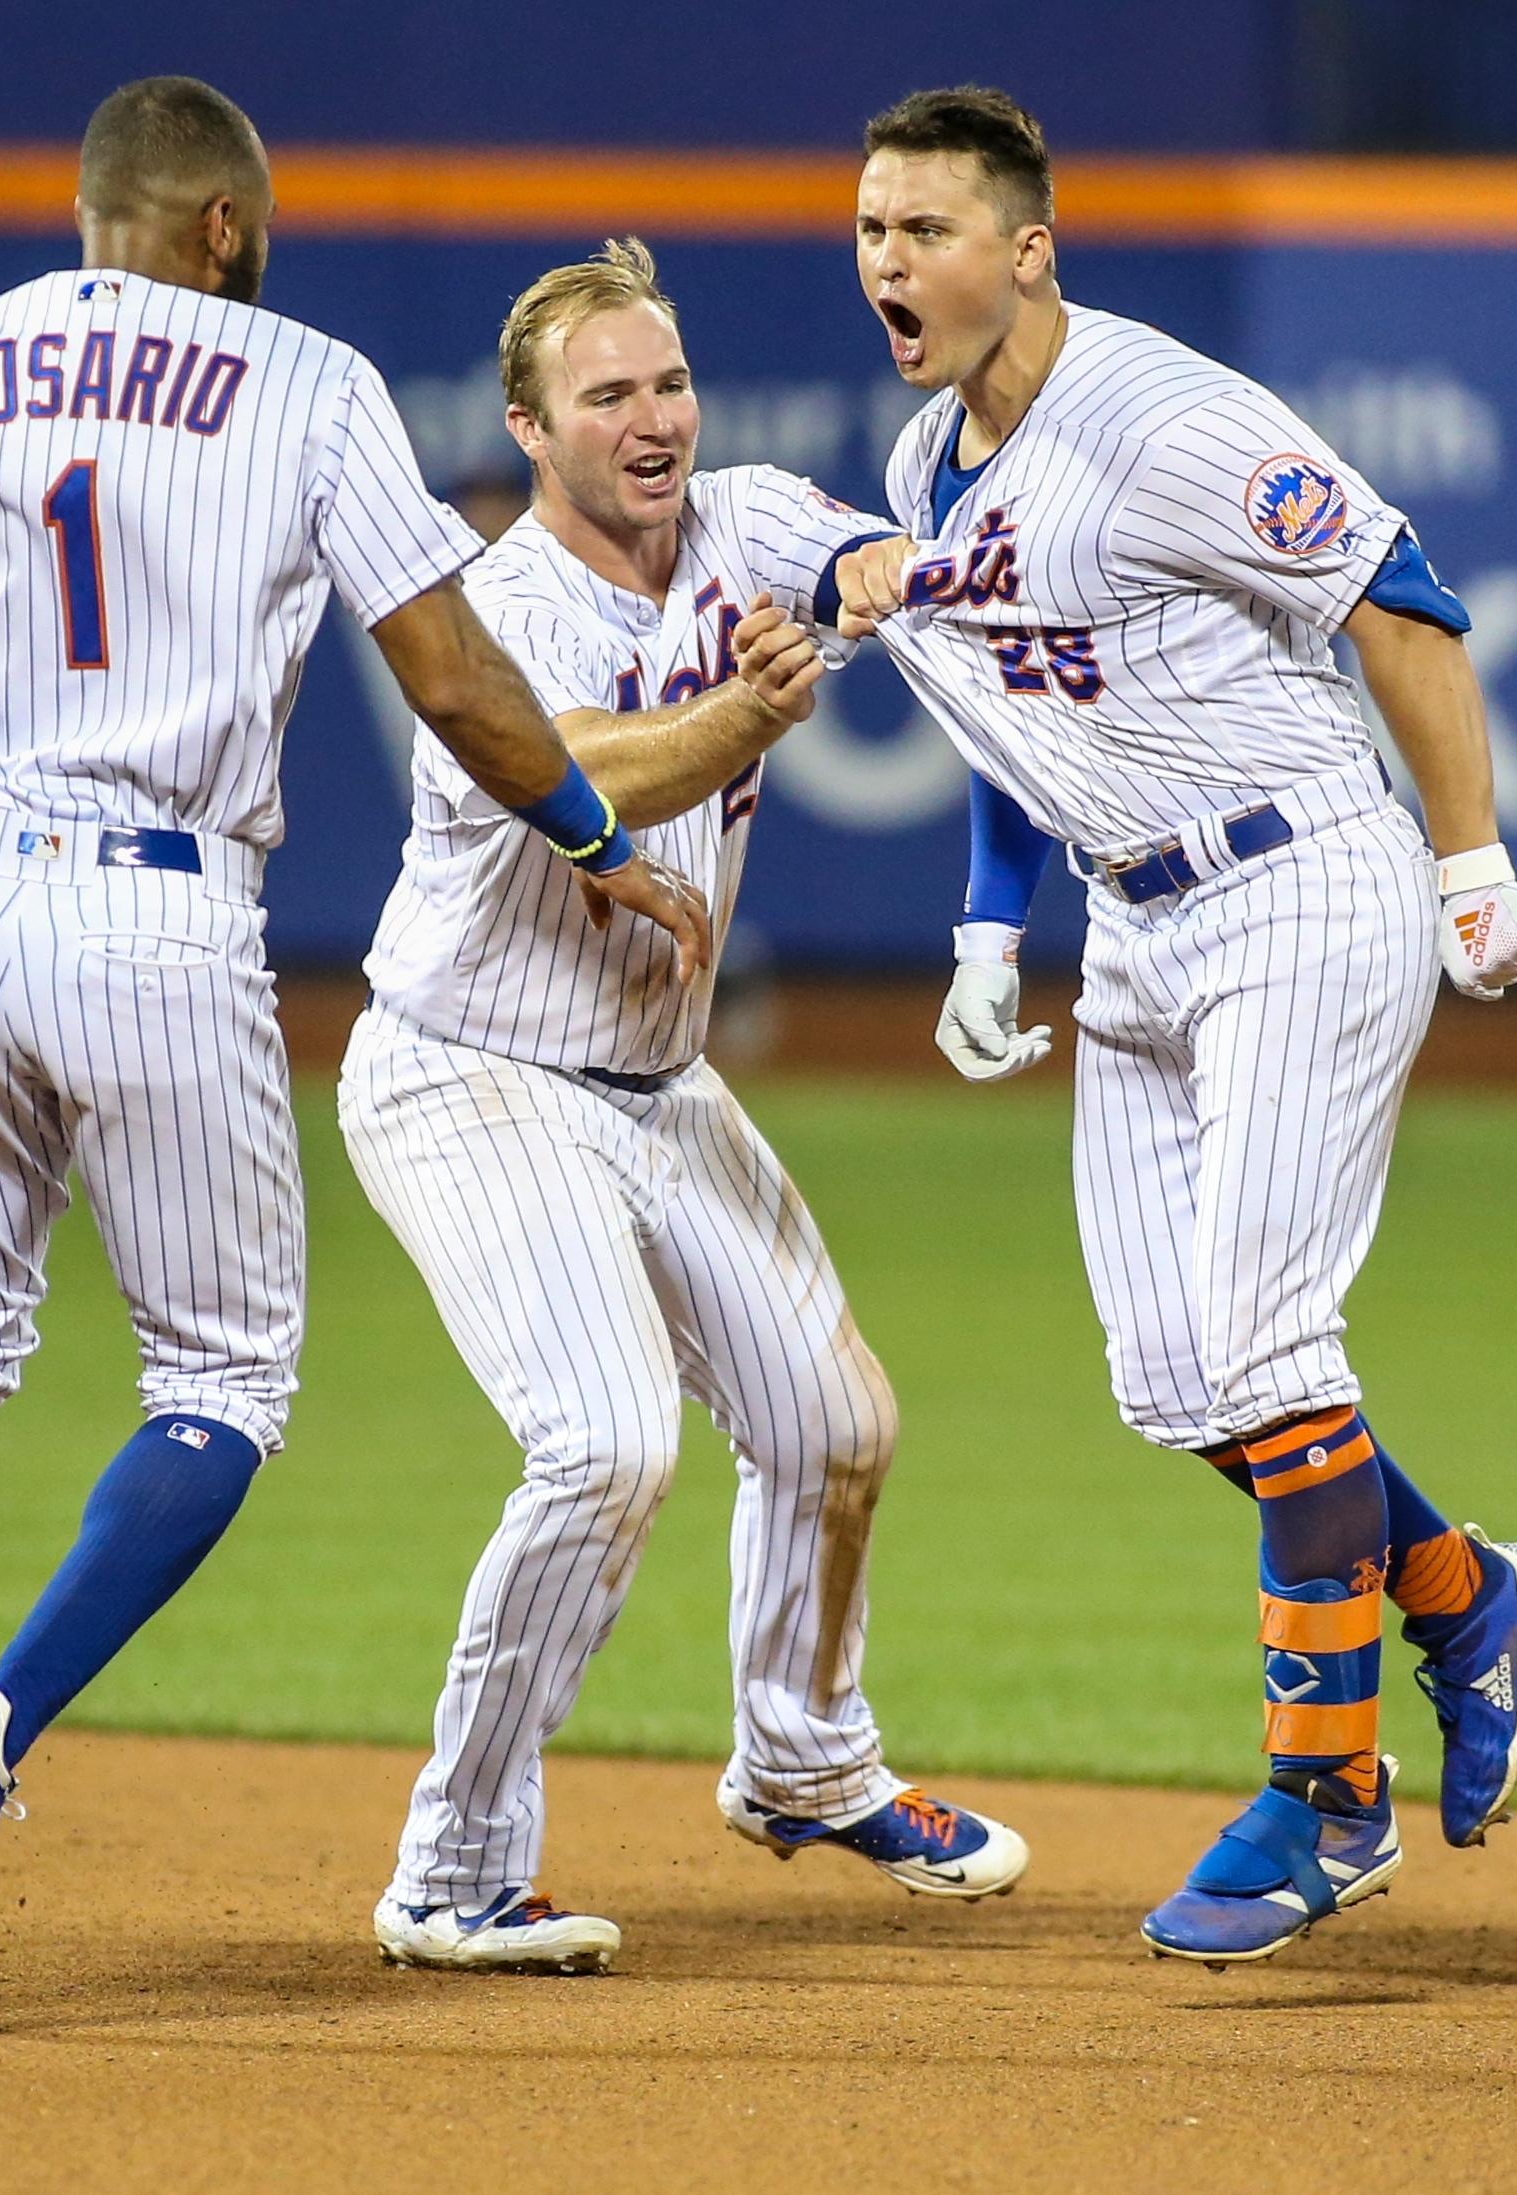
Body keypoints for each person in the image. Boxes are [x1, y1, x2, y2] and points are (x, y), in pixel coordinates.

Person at [0, 78, 710, 1991]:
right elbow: (450, 675)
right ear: (215, 225)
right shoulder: (301, 375)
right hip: (153, 908)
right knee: (220, 1377)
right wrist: (602, 838)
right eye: (252, 224)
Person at [829, 87, 1517, 1967]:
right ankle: (1467, 1593)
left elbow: (1396, 595)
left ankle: (1325, 1799)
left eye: (928, 228)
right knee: (1173, 1375)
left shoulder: (1165, 421)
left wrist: (1470, 858)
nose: (893, 263)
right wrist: (993, 923)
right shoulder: (926, 465)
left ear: (1030, 247)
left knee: (1260, 1336)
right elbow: (1012, 703)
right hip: (1136, 933)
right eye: (872, 229)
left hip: (1303, 883)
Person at [344, 239, 1027, 1975]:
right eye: (606, 397)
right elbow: (569, 763)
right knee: (605, 1443)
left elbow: (864, 553)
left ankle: (804, 1761)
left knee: (834, 1422)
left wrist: (880, 577)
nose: (649, 422)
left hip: (657, 1082)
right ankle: (452, 1866)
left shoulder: (737, 512)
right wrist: (741, 709)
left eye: (666, 383)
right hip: (471, 1073)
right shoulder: (484, 607)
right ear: (531, 426)